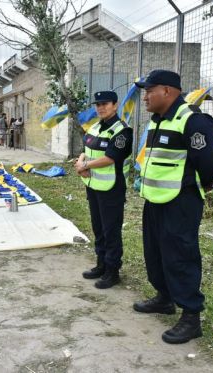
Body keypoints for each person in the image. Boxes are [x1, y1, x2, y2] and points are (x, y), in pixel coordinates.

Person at [133, 70, 213, 344]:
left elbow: (210, 164)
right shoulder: (158, 121)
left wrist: (199, 185)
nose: (145, 97)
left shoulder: (193, 121)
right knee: (156, 251)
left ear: (168, 91)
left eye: (149, 90)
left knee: (180, 255)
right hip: (156, 199)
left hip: (181, 202)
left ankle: (191, 316)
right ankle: (164, 297)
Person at [75, 91, 133, 290]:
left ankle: (112, 271)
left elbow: (110, 158)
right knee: (98, 228)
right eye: (98, 104)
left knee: (111, 231)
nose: (100, 107)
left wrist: (86, 166)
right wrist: (80, 162)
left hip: (112, 189)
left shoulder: (122, 131)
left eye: (105, 103)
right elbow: (85, 148)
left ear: (115, 105)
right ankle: (101, 265)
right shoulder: (95, 127)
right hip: (93, 186)